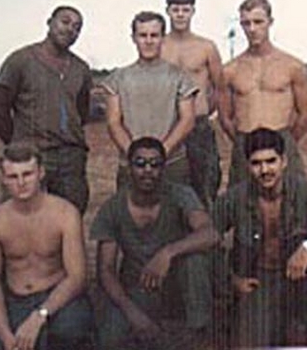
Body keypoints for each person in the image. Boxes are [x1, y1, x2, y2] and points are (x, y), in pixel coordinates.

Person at [212, 128, 307, 347]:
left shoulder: (305, 191)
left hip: (297, 279)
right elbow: (205, 238)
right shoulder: (235, 199)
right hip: (257, 283)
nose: (265, 170)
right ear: (247, 166)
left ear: (283, 161)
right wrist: (231, 279)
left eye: (271, 161)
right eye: (256, 163)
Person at [90, 137, 219, 350]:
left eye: (155, 164)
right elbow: (105, 271)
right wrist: (133, 314)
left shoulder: (180, 194)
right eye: (140, 163)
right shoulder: (112, 208)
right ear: (129, 167)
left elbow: (211, 233)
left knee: (195, 260)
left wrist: (168, 252)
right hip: (137, 289)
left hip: (177, 285)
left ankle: (199, 333)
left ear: (164, 167)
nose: (148, 170)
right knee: (110, 339)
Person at [0, 143, 95, 350]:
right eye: (13, 177)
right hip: (15, 298)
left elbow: (77, 277)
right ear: (3, 179)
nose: (21, 183)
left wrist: (40, 315)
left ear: (41, 172)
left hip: (56, 296)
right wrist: (6, 335)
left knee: (71, 331)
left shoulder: (65, 214)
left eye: (27, 174)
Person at [0, 5, 92, 215]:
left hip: (70, 158)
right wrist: (17, 145)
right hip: (31, 155)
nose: (70, 30)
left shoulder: (81, 69)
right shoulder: (20, 61)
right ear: (49, 22)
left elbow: (81, 113)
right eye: (65, 22)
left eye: (77, 27)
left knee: (69, 217)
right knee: (21, 217)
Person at [218, 0, 307, 187]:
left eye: (258, 22)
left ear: (270, 22)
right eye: (246, 23)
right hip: (245, 143)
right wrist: (242, 143)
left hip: (282, 142)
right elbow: (225, 117)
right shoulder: (230, 70)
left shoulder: (292, 66)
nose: (252, 29)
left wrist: (285, 143)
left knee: (291, 204)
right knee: (241, 206)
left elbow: (306, 114)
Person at [101, 11, 198, 189]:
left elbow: (188, 119)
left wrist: (160, 154)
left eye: (154, 35)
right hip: (131, 165)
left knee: (174, 215)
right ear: (134, 38)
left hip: (172, 164)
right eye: (142, 35)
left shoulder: (180, 77)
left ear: (163, 38)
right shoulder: (117, 78)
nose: (148, 41)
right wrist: (135, 156)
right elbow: (113, 122)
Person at [161, 0, 224, 206]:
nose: (180, 15)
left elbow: (219, 87)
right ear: (167, 11)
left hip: (199, 127)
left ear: (193, 11)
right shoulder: (158, 45)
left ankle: (207, 235)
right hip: (167, 125)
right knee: (168, 186)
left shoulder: (206, 47)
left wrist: (206, 111)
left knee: (205, 185)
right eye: (175, 9)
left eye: (185, 9)